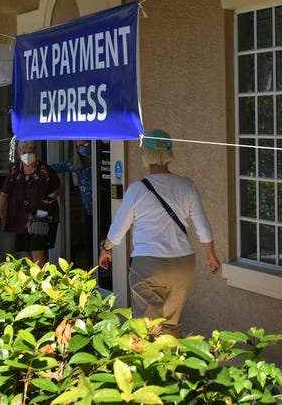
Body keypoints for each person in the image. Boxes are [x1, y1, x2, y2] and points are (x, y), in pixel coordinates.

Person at [98, 129, 221, 338]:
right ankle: (176, 368)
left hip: (148, 264)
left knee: (148, 328)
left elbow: (118, 230)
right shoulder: (187, 186)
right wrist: (211, 255)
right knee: (171, 324)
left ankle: (155, 368)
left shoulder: (137, 189)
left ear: (146, 154)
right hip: (182, 264)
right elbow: (203, 227)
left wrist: (106, 249)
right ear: (169, 154)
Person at [0, 140, 64, 266]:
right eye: (24, 152)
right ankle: (34, 281)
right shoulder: (14, 170)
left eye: (30, 152)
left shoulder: (44, 170)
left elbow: (59, 187)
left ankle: (40, 282)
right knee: (28, 253)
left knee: (37, 252)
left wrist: (52, 196)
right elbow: (4, 193)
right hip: (20, 218)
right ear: (19, 153)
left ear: (36, 153)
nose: (27, 154)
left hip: (40, 218)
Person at [50, 140, 93, 269]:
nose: (84, 149)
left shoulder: (99, 160)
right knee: (90, 243)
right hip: (89, 211)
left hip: (104, 209)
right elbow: (55, 168)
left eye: (86, 145)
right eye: (79, 146)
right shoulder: (75, 163)